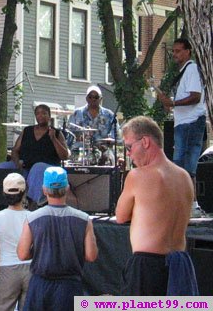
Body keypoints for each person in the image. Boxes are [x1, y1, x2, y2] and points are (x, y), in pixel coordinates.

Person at [115, 116, 199, 295]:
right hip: (180, 266)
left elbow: (121, 216)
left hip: (147, 267)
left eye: (129, 147)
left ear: (145, 141)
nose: (128, 153)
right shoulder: (185, 177)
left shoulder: (137, 176)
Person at [17, 167, 98, 311]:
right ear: (67, 189)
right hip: (69, 287)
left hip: (40, 285)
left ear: (44, 190)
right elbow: (91, 256)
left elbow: (22, 254)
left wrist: (38, 251)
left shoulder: (32, 218)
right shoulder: (83, 219)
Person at [156, 38, 208, 217]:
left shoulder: (191, 69)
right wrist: (169, 103)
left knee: (184, 164)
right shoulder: (184, 72)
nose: (174, 54)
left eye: (178, 51)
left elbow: (195, 96)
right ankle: (186, 203)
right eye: (173, 51)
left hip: (190, 122)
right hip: (185, 123)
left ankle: (190, 205)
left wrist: (173, 102)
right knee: (182, 165)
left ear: (188, 51)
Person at [0, 104, 70, 207]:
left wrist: (53, 139)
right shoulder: (27, 131)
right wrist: (17, 162)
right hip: (26, 166)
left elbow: (65, 156)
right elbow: (15, 150)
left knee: (37, 167)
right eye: (38, 113)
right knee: (1, 167)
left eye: (44, 113)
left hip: (47, 167)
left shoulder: (56, 133)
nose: (40, 116)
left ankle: (31, 203)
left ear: (49, 116)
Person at [0, 173, 32, 311]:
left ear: (4, 193)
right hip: (30, 268)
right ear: (24, 192)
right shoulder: (32, 217)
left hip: (6, 268)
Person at [69, 85, 119, 165]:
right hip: (80, 150)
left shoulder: (109, 115)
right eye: (90, 97)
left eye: (96, 97)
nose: (93, 99)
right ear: (86, 98)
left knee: (110, 158)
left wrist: (108, 143)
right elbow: (70, 136)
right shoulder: (76, 113)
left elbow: (116, 136)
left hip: (103, 151)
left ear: (101, 99)